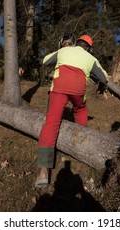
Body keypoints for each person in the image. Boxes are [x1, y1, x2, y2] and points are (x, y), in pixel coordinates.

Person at [35, 34, 109, 188]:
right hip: (78, 90)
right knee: (81, 109)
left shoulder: (64, 50)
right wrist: (102, 87)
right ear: (89, 48)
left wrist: (61, 53)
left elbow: (45, 60)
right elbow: (104, 77)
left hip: (59, 87)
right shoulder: (91, 58)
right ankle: (81, 140)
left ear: (76, 43)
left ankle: (43, 172)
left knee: (51, 123)